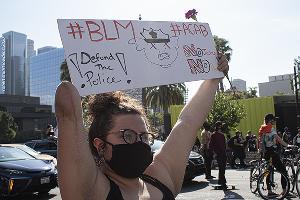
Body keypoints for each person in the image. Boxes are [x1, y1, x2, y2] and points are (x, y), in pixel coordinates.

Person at [55, 54, 229, 199]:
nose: (139, 143)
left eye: (144, 136)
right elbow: (67, 104)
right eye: (128, 136)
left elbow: (188, 123)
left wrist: (213, 78)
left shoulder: (162, 178)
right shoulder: (92, 190)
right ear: (100, 146)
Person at [258, 113, 292, 196]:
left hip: (266, 153)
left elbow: (261, 141)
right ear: (270, 120)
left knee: (268, 171)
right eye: (273, 120)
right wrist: (288, 145)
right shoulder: (270, 128)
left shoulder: (262, 128)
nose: (274, 121)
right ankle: (285, 191)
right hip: (272, 152)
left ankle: (269, 191)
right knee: (283, 170)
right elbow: (278, 139)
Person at [208, 121, 227, 189]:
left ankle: (220, 181)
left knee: (223, 168)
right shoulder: (214, 135)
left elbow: (224, 145)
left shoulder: (222, 135)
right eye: (221, 125)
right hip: (219, 154)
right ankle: (223, 183)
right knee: (221, 167)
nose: (222, 127)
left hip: (223, 153)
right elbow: (211, 145)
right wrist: (213, 153)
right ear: (219, 126)